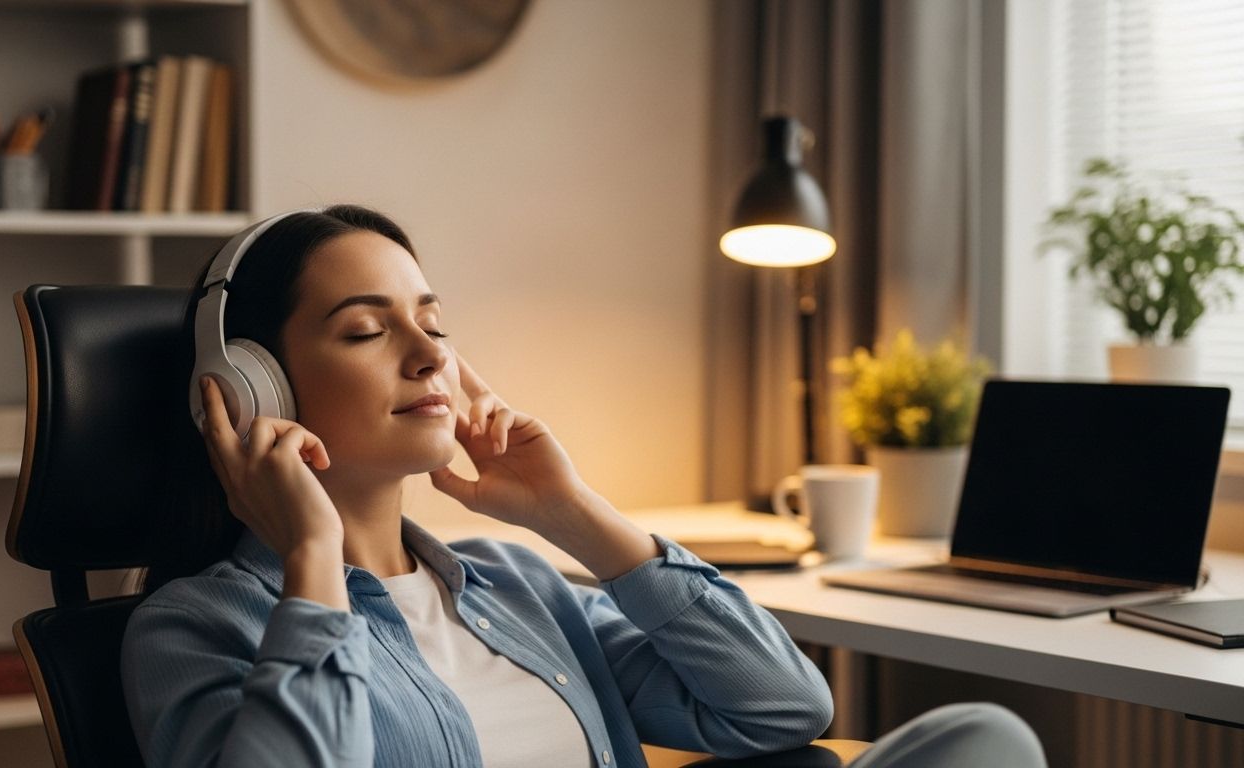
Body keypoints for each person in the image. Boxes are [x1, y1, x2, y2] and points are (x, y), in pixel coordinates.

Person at [121, 205, 1048, 768]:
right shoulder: (198, 627)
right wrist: (311, 557)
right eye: (368, 331)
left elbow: (780, 705)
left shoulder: (514, 586)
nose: (428, 354)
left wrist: (576, 515)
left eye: (434, 324)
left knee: (982, 739)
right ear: (257, 387)